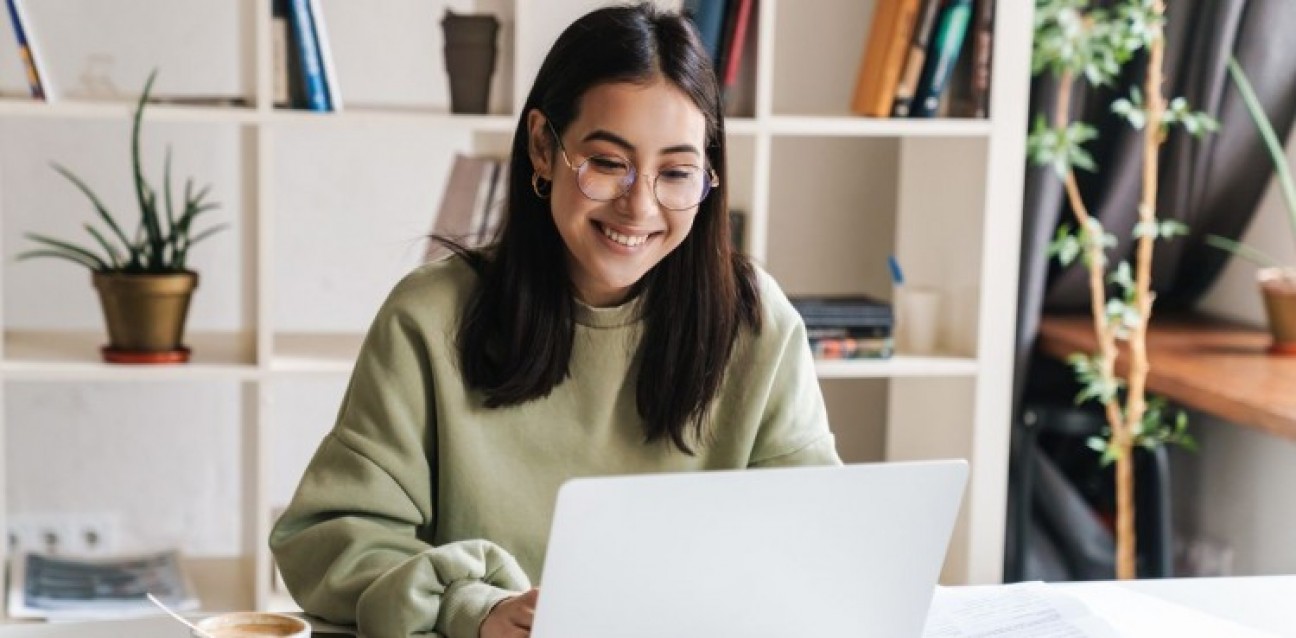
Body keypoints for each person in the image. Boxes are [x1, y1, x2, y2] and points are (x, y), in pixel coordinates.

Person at [269, 4, 840, 637]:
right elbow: (327, 539)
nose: (639, 206)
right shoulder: (430, 319)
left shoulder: (757, 323)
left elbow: (813, 545)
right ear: (544, 146)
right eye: (606, 162)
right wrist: (475, 608)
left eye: (675, 173)